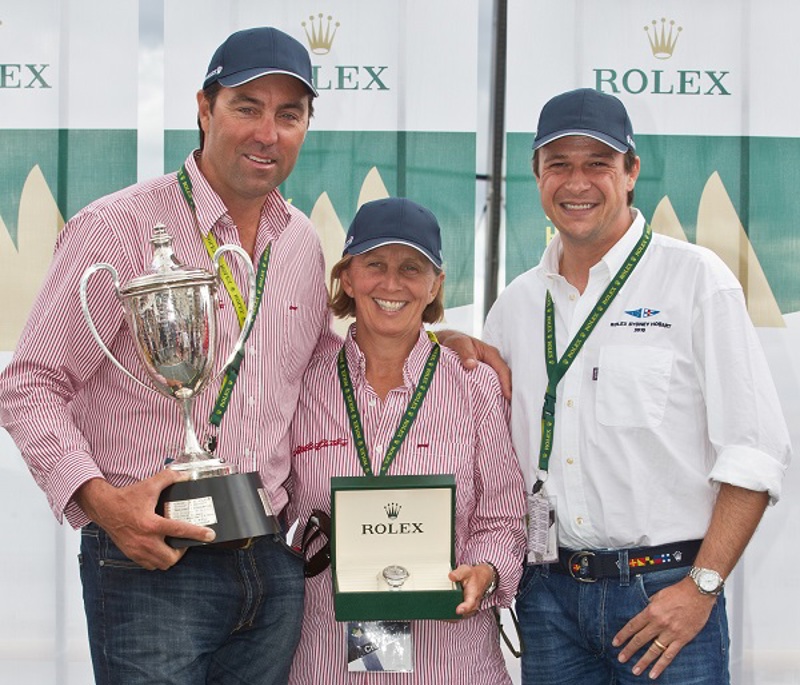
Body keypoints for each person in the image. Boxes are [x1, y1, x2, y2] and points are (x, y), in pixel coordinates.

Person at [0, 27, 334, 684]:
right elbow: (29, 381)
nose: (267, 131)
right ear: (204, 109)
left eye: (288, 114)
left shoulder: (299, 244)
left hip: (268, 558)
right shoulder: (117, 227)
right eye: (246, 106)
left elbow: (320, 366)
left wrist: (436, 343)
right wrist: (102, 503)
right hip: (151, 555)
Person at [480, 88, 792, 683]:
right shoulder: (517, 304)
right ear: (537, 175)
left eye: (597, 163)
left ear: (631, 172)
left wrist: (701, 587)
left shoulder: (696, 281)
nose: (577, 182)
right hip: (547, 598)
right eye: (559, 164)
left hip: (664, 596)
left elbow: (755, 451)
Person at [287, 197, 527, 684]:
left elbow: (503, 517)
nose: (392, 283)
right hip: (325, 660)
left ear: (436, 284)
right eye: (374, 264)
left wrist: (488, 570)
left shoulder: (474, 386)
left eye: (412, 268)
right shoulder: (301, 385)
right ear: (347, 277)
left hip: (451, 661)